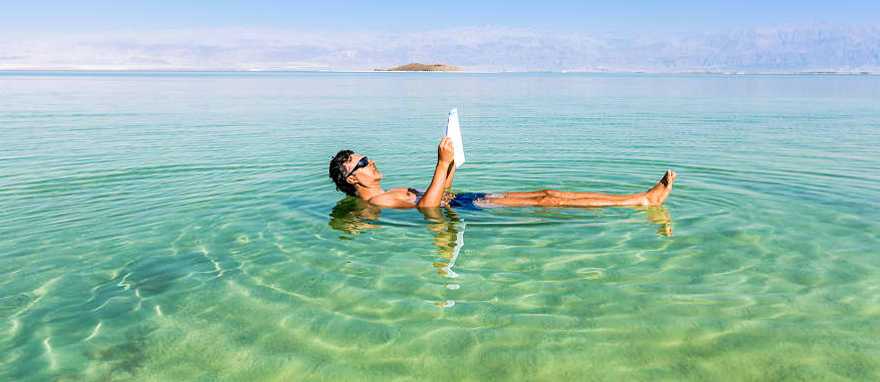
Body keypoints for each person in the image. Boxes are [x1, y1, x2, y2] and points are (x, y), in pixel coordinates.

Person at [328, 137, 676, 209]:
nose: (370, 162)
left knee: (546, 193)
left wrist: (450, 163)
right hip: (466, 208)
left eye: (367, 158)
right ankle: (640, 201)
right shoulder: (376, 204)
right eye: (362, 163)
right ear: (353, 179)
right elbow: (429, 209)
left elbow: (437, 194)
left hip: (462, 200)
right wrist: (439, 163)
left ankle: (640, 198)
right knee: (547, 200)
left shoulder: (388, 192)